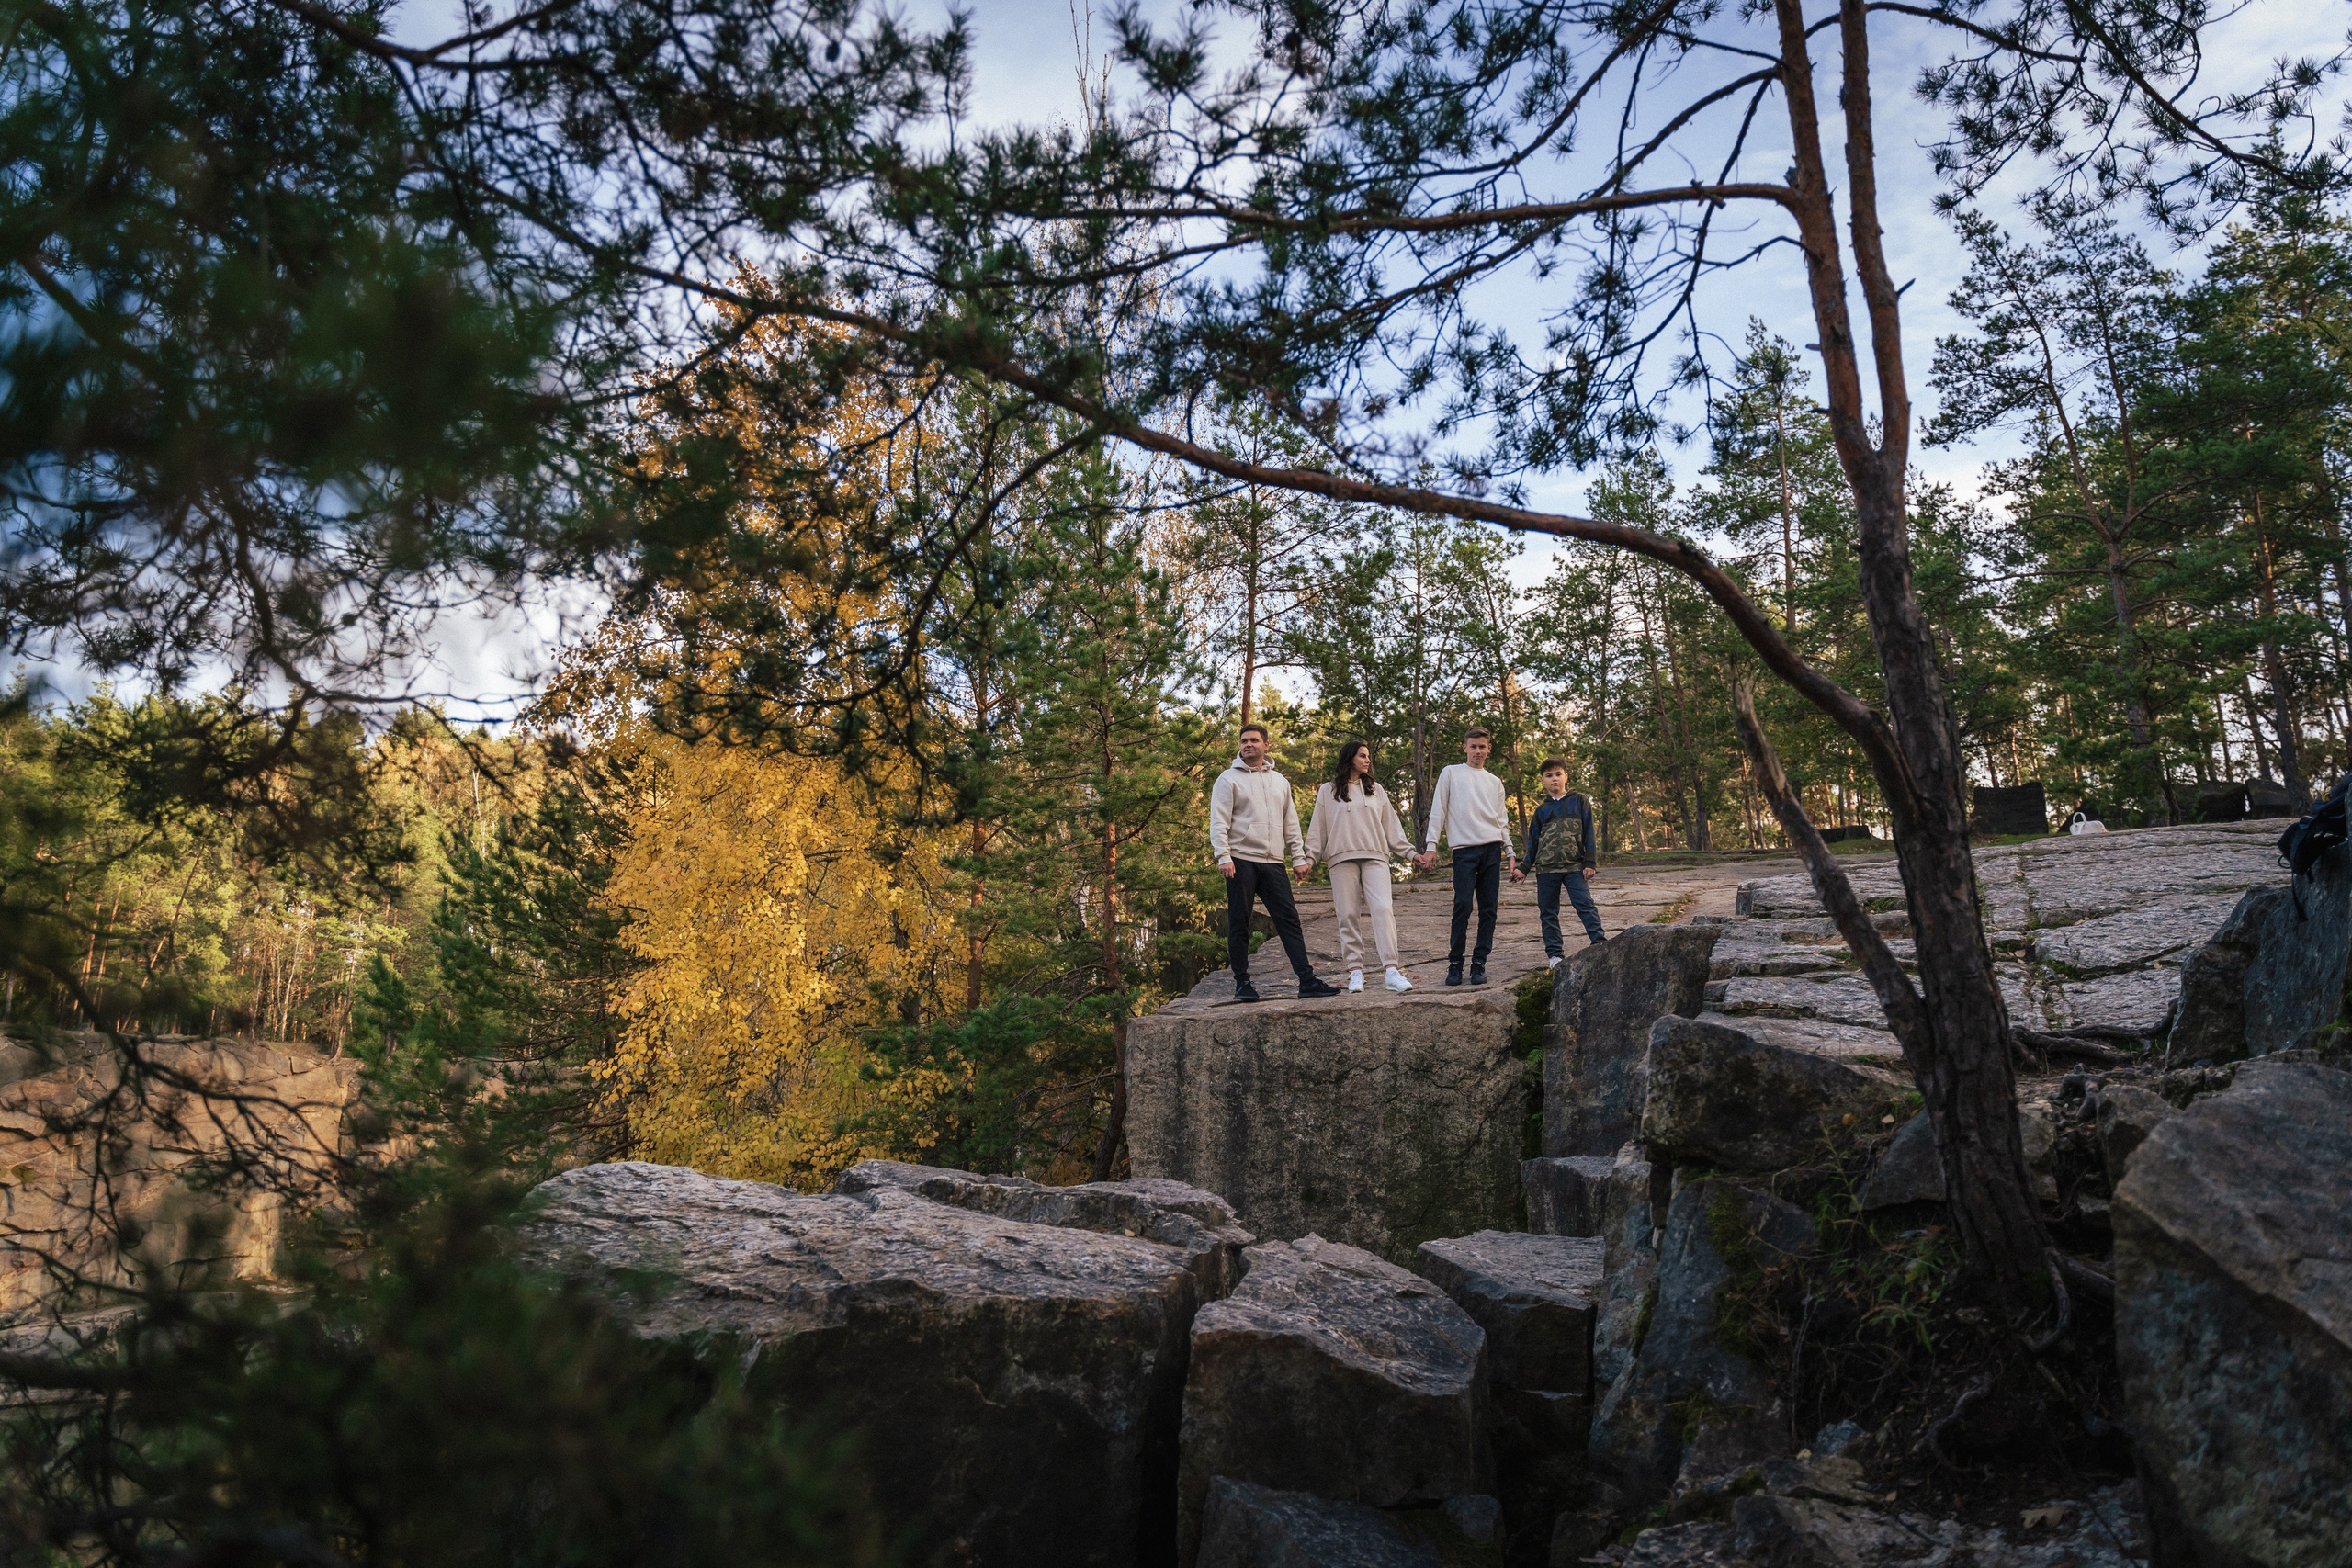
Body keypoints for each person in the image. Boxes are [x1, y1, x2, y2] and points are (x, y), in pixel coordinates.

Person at [1210, 723, 1340, 1003]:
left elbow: (1290, 822)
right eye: (1244, 740)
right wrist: (1223, 855)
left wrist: (1299, 857)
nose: (1248, 744)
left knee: (1290, 921)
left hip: (1273, 862)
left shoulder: (1280, 781)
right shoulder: (1228, 779)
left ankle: (1307, 981)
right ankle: (1242, 983)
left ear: (1266, 745)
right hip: (1240, 860)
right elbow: (1219, 821)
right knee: (1239, 922)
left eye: (1254, 740)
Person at [1305, 741, 1418, 993]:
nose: (1368, 760)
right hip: (1340, 858)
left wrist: (1410, 853)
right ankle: (1355, 971)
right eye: (1362, 756)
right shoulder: (1328, 790)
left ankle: (1391, 970)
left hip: (1376, 856)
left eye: (1369, 756)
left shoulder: (1376, 789)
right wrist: (1309, 859)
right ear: (1350, 758)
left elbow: (1391, 827)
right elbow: (1317, 829)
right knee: (1347, 914)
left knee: (1383, 908)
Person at [1414, 727, 1516, 986]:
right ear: (1465, 748)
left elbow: (1501, 820)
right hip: (1464, 851)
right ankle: (1455, 964)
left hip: (1492, 849)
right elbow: (1438, 810)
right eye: (1473, 746)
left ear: (1488, 749)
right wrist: (1432, 845)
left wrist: (1509, 851)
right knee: (1462, 906)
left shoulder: (1495, 782)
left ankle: (1479, 963)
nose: (1478, 751)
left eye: (1482, 747)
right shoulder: (1451, 773)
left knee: (1489, 909)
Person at [1511, 758, 1607, 964]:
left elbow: (1589, 831)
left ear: (1566, 777)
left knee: (1585, 904)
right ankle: (1555, 956)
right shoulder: (1541, 811)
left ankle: (1599, 943)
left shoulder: (1579, 800)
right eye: (1549, 776)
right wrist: (1523, 868)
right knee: (1548, 913)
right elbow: (1533, 843)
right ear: (1543, 781)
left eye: (1558, 774)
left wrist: (1590, 862)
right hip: (1546, 870)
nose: (1554, 779)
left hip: (1574, 867)